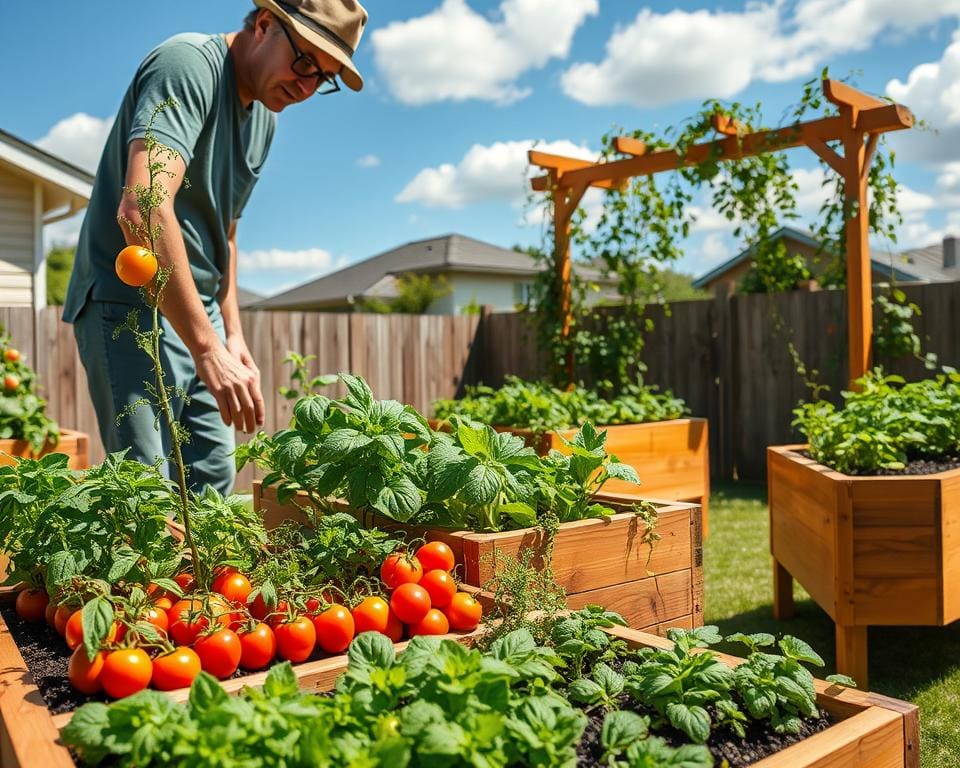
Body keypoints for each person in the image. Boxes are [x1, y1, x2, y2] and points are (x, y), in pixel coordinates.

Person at [63, 0, 368, 496]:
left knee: (214, 481)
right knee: (148, 493)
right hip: (131, 304)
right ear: (265, 23)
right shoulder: (188, 65)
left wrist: (233, 336)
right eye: (306, 61)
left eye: (324, 77)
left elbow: (223, 232)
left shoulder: (264, 119)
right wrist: (208, 347)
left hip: (197, 313)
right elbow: (141, 208)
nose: (307, 86)